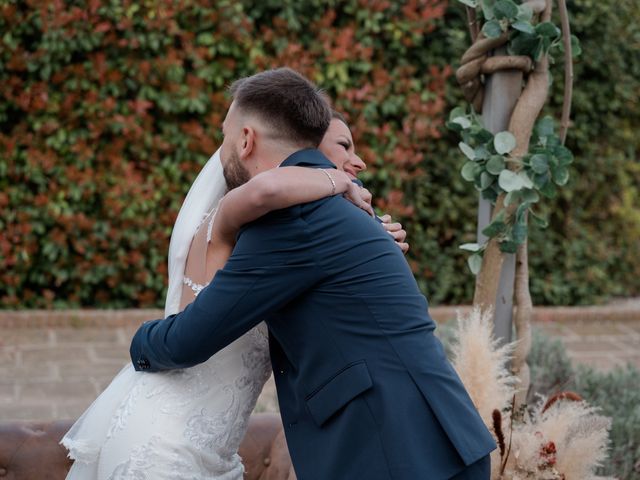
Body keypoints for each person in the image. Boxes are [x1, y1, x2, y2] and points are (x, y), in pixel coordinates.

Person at [130, 68, 496, 479]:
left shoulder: (291, 220)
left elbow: (188, 340)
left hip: (396, 451)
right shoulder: (330, 210)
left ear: (246, 139)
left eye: (225, 137)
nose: (222, 152)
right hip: (427, 444)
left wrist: (139, 343)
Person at [62, 112, 406, 479]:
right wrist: (334, 180)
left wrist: (372, 249)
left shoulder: (301, 238)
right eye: (343, 146)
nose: (359, 161)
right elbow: (265, 190)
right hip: (166, 444)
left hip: (210, 449)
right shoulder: (245, 219)